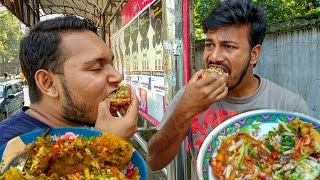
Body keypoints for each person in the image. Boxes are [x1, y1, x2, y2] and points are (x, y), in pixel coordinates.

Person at [147, 0, 312, 179]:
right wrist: (186, 109)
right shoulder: (191, 94)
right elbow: (155, 161)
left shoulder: (289, 106)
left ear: (254, 54)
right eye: (210, 44)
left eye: (228, 46)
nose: (215, 56)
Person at [0, 16, 139, 146]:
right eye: (96, 67)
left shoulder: (82, 125)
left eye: (111, 64)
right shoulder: (8, 145)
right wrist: (108, 144)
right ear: (48, 83)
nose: (117, 76)